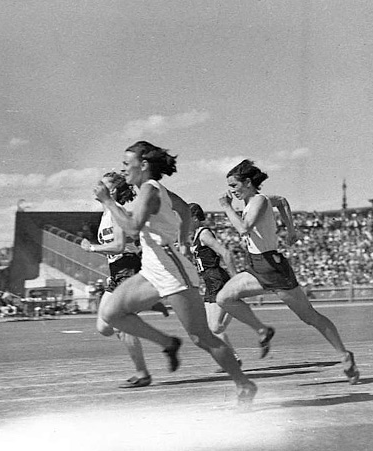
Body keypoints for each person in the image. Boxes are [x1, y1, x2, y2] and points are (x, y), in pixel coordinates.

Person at [96, 141, 257, 405]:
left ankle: (244, 384)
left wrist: (107, 201)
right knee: (111, 313)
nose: (123, 169)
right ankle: (168, 343)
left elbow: (133, 228)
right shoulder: (149, 190)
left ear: (143, 165)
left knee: (201, 336)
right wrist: (182, 238)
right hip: (151, 268)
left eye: (127, 164)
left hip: (171, 269)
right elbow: (183, 209)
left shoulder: (149, 189)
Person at [215, 159, 360, 384]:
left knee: (310, 317)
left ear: (247, 182)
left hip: (273, 268)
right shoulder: (249, 201)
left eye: (234, 186)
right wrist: (290, 229)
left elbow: (244, 227)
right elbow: (282, 201)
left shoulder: (260, 200)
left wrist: (226, 207)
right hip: (255, 266)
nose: (230, 191)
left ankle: (345, 355)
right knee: (224, 298)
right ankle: (262, 330)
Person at [81, 171, 167, 389]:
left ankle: (142, 373)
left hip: (128, 269)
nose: (97, 186)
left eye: (103, 184)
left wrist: (91, 247)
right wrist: (98, 249)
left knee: (120, 325)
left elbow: (119, 246)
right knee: (104, 327)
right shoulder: (106, 215)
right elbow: (115, 250)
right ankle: (148, 306)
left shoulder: (116, 211)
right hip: (116, 272)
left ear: (113, 190)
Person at [189, 202, 275, 372]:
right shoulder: (194, 236)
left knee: (214, 327)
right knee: (212, 327)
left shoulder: (204, 234)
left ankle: (238, 354)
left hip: (217, 280)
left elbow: (226, 253)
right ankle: (240, 351)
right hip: (209, 283)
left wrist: (235, 280)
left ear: (194, 218)